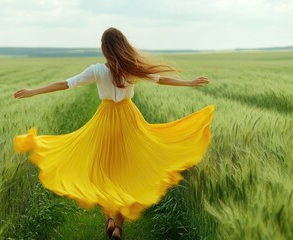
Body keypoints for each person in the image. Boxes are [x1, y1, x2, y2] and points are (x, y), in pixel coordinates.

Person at [13, 27, 214, 240]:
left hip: (105, 120)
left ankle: (108, 219)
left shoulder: (97, 70)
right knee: (124, 174)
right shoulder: (131, 68)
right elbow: (160, 80)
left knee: (103, 171)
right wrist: (189, 83)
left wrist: (33, 91)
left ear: (104, 49)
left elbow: (66, 84)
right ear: (123, 46)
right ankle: (118, 227)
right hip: (129, 119)